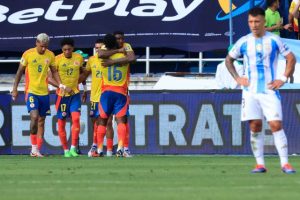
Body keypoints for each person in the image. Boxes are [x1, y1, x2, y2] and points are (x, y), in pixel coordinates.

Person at [225, 7, 296, 174]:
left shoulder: (274, 40)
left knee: (275, 125)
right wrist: (237, 78)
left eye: (257, 21)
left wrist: (283, 78)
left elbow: (291, 58)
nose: (254, 25)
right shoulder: (243, 41)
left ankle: (285, 163)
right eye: (250, 22)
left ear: (264, 21)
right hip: (250, 92)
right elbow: (229, 60)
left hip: (269, 90)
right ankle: (260, 164)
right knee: (255, 126)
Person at [11, 33, 63, 157]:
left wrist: (60, 84)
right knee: (34, 116)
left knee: (41, 120)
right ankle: (33, 149)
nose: (43, 49)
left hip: (44, 93)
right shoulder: (28, 54)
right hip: (31, 91)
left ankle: (37, 150)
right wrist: (15, 88)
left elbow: (54, 71)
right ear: (36, 43)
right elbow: (19, 72)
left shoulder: (50, 55)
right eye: (42, 46)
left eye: (46, 46)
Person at [98, 31, 136, 157]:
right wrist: (119, 51)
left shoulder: (123, 47)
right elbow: (131, 58)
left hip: (108, 91)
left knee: (107, 120)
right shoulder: (122, 51)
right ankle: (118, 148)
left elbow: (101, 54)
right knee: (119, 120)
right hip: (119, 91)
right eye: (117, 39)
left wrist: (111, 62)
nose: (120, 41)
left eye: (121, 38)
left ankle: (114, 149)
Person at [48, 38, 84, 157]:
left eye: (69, 49)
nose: (67, 51)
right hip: (61, 96)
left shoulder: (79, 58)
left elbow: (82, 72)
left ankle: (73, 148)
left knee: (76, 119)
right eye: (64, 50)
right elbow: (49, 78)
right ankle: (65, 150)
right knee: (61, 123)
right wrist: (62, 86)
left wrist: (85, 88)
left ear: (73, 49)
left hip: (75, 94)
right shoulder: (57, 59)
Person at [79, 39, 114, 157]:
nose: (98, 50)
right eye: (96, 48)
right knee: (96, 123)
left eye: (100, 48)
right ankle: (96, 146)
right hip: (94, 96)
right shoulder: (92, 60)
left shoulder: (111, 60)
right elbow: (84, 74)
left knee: (108, 123)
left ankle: (109, 150)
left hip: (107, 96)